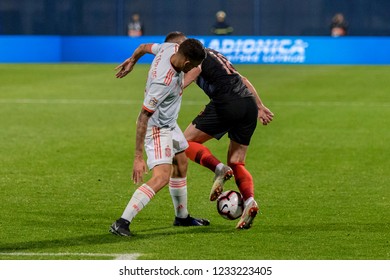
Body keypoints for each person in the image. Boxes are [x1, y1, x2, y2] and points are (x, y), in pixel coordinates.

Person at [116, 31, 274, 230]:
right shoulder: (176, 69)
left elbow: (146, 50)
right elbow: (241, 78)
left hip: (220, 105)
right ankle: (249, 199)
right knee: (233, 161)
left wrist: (134, 61)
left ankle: (217, 171)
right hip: (247, 103)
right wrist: (258, 105)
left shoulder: (178, 58)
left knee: (187, 146)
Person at [110, 38, 208, 236]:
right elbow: (143, 117)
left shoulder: (169, 47)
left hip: (170, 123)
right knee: (162, 177)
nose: (196, 69)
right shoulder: (163, 82)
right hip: (157, 128)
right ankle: (122, 222)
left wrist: (132, 60)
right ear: (187, 62)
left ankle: (182, 217)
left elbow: (144, 47)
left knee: (181, 163)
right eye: (195, 66)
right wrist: (138, 157)